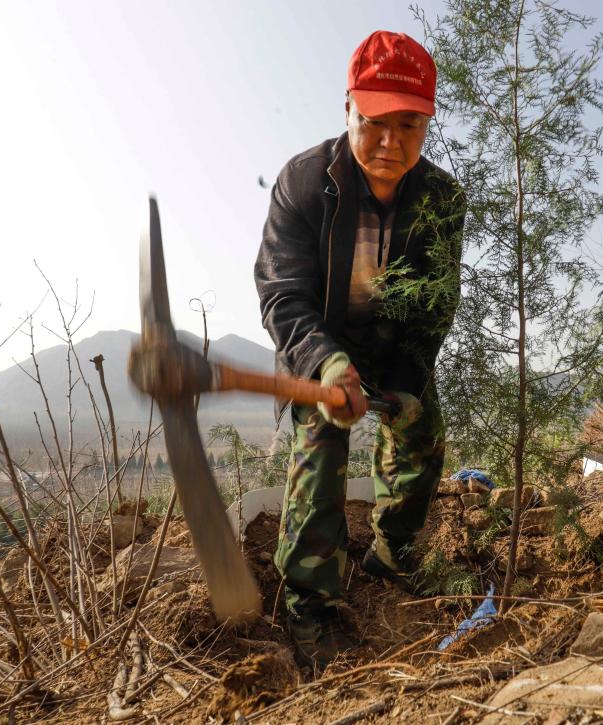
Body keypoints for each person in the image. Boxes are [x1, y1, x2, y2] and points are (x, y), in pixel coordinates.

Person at [253, 30, 465, 671]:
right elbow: (282, 295)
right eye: (374, 122)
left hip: (393, 348)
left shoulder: (441, 201)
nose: (389, 143)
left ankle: (393, 554)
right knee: (321, 449)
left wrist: (404, 383)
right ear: (348, 108)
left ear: (427, 123)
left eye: (409, 125)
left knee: (423, 435)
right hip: (321, 347)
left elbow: (434, 305)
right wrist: (329, 365)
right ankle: (309, 610)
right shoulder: (304, 183)